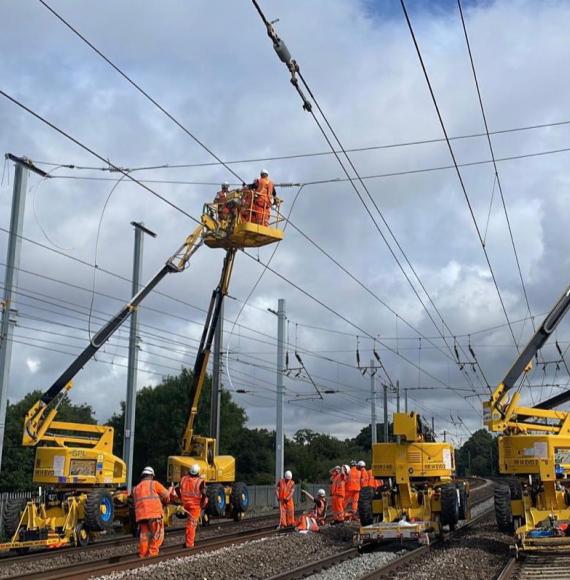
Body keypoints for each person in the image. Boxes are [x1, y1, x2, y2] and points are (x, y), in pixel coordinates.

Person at [131, 466, 171, 558]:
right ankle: (152, 554)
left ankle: (143, 554)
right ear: (152, 476)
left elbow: (134, 502)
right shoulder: (154, 484)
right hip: (154, 514)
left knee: (144, 536)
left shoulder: (136, 488)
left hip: (141, 516)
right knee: (158, 535)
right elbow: (166, 495)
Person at [179, 463, 208, 548]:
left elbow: (177, 489)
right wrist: (202, 503)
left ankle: (188, 541)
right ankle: (189, 544)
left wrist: (181, 498)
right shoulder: (200, 481)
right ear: (198, 472)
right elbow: (203, 494)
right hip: (195, 506)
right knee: (191, 524)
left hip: (185, 504)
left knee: (189, 523)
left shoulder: (183, 479)